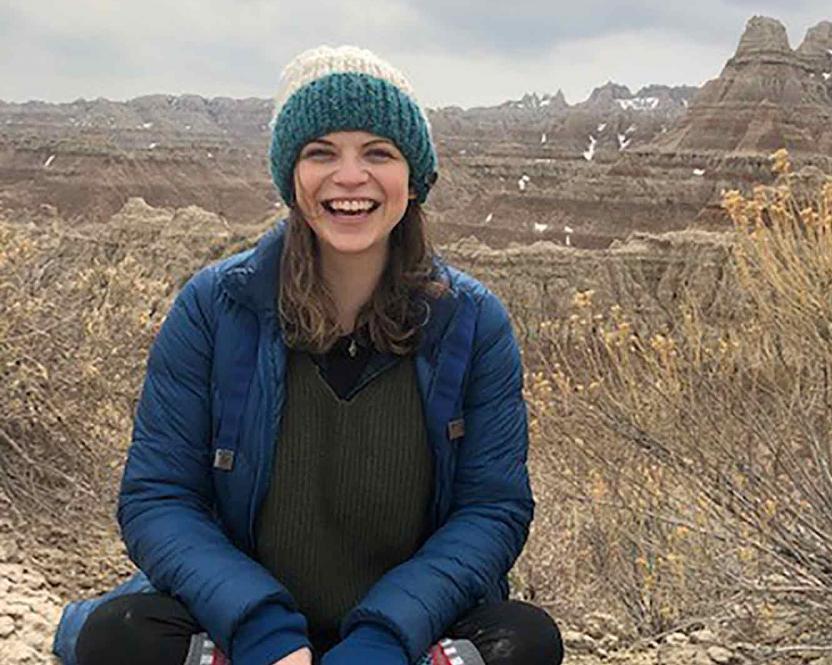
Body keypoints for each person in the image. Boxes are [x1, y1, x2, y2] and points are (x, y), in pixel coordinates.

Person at [51, 45, 563, 665]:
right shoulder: (215, 308)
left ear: (414, 176)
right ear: (291, 174)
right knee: (122, 633)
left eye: (379, 152)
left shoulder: (472, 322)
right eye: (322, 152)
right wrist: (264, 632)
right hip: (245, 630)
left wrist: (381, 639)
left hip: (406, 631)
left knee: (525, 642)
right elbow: (159, 498)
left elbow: (491, 508)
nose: (350, 177)